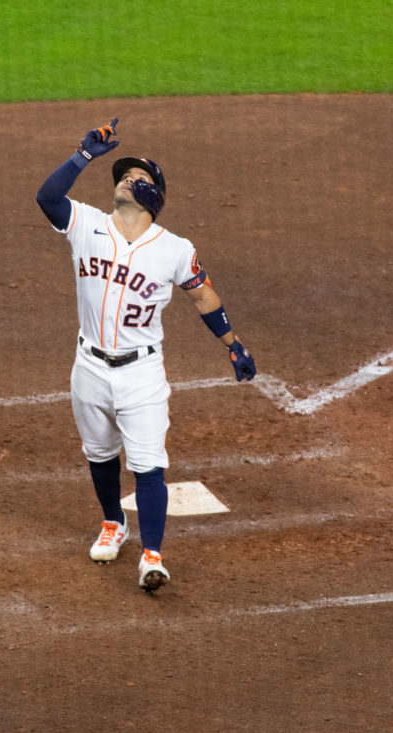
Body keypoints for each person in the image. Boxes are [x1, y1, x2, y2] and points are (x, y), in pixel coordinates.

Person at [36, 117, 257, 591]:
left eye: (138, 178)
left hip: (142, 374)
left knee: (148, 463)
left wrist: (233, 345)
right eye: (122, 174)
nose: (125, 179)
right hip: (89, 366)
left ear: (155, 196)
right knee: (99, 454)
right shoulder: (87, 224)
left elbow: (203, 297)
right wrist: (84, 154)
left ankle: (152, 556)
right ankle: (113, 523)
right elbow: (47, 198)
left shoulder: (175, 250)